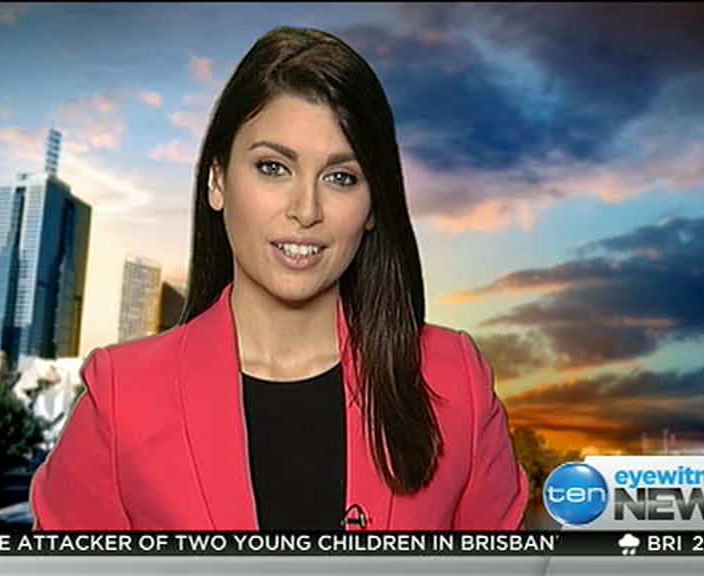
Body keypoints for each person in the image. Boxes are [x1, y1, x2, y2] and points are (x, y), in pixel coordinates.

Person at [30, 26, 528, 531]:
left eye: (341, 178)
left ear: (373, 205)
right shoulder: (122, 399)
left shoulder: (455, 381)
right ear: (218, 180)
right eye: (273, 167)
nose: (306, 210)